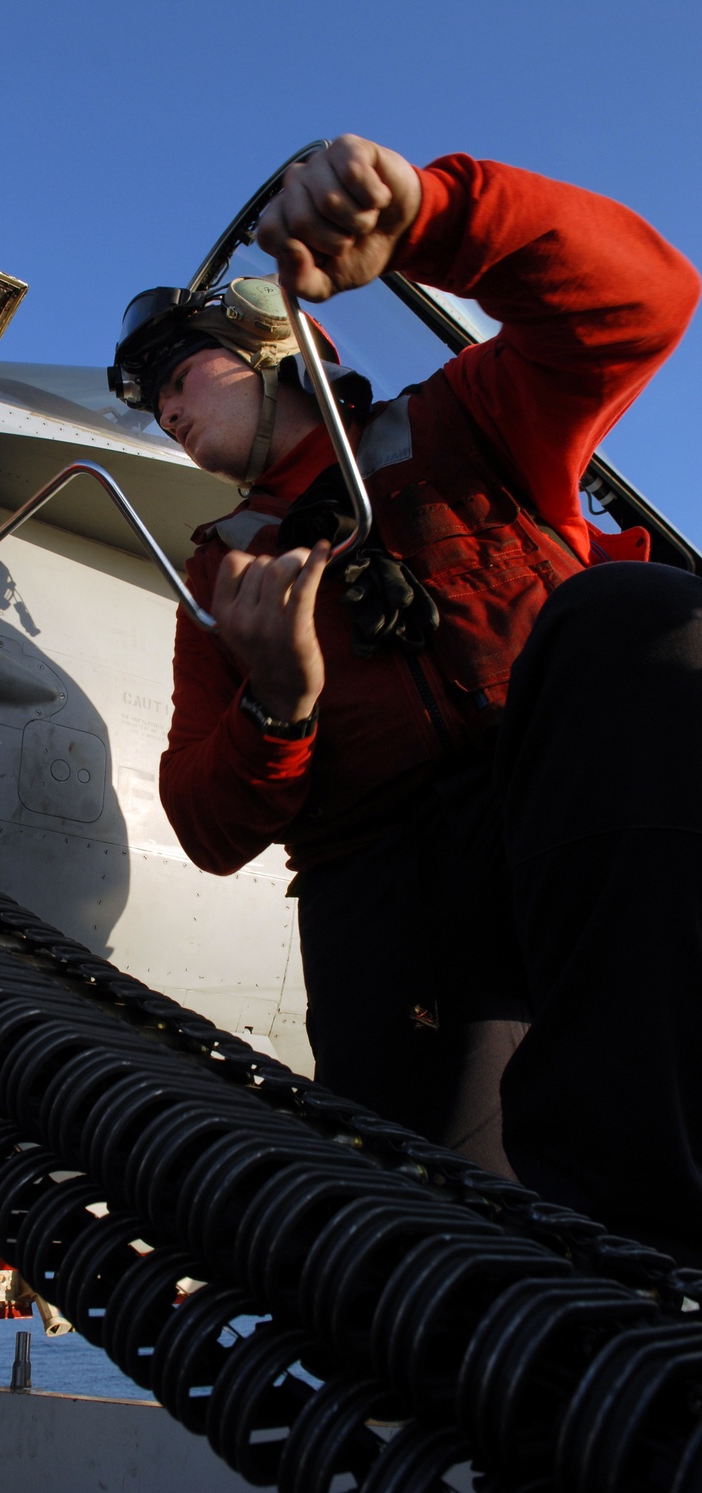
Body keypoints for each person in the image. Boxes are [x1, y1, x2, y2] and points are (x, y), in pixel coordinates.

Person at [109, 136, 702, 1261]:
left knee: (628, 613)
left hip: (565, 837)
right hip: (393, 904)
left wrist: (430, 215)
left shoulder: (468, 420)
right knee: (438, 1239)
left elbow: (646, 298)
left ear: (280, 344)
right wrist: (278, 703)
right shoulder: (218, 580)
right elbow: (205, 820)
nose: (165, 413)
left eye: (179, 372)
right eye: (150, 403)